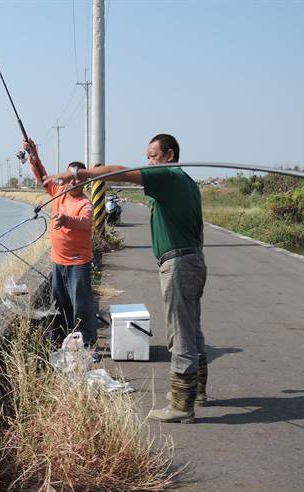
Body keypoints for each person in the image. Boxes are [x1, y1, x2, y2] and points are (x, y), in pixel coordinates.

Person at [43, 133, 207, 423]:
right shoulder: (187, 183)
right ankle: (195, 391)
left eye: (152, 156)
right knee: (191, 329)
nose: (148, 162)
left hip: (180, 264)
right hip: (191, 259)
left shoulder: (168, 175)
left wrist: (77, 173)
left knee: (180, 332)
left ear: (169, 155)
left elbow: (116, 172)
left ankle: (183, 404)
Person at [24, 139, 97, 347]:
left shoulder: (85, 203)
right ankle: (61, 338)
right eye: (69, 178)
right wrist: (33, 153)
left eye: (77, 178)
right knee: (60, 303)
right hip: (58, 261)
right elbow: (42, 176)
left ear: (84, 181)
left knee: (81, 305)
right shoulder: (59, 192)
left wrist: (67, 220)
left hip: (78, 263)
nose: (72, 182)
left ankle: (87, 342)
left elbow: (85, 222)